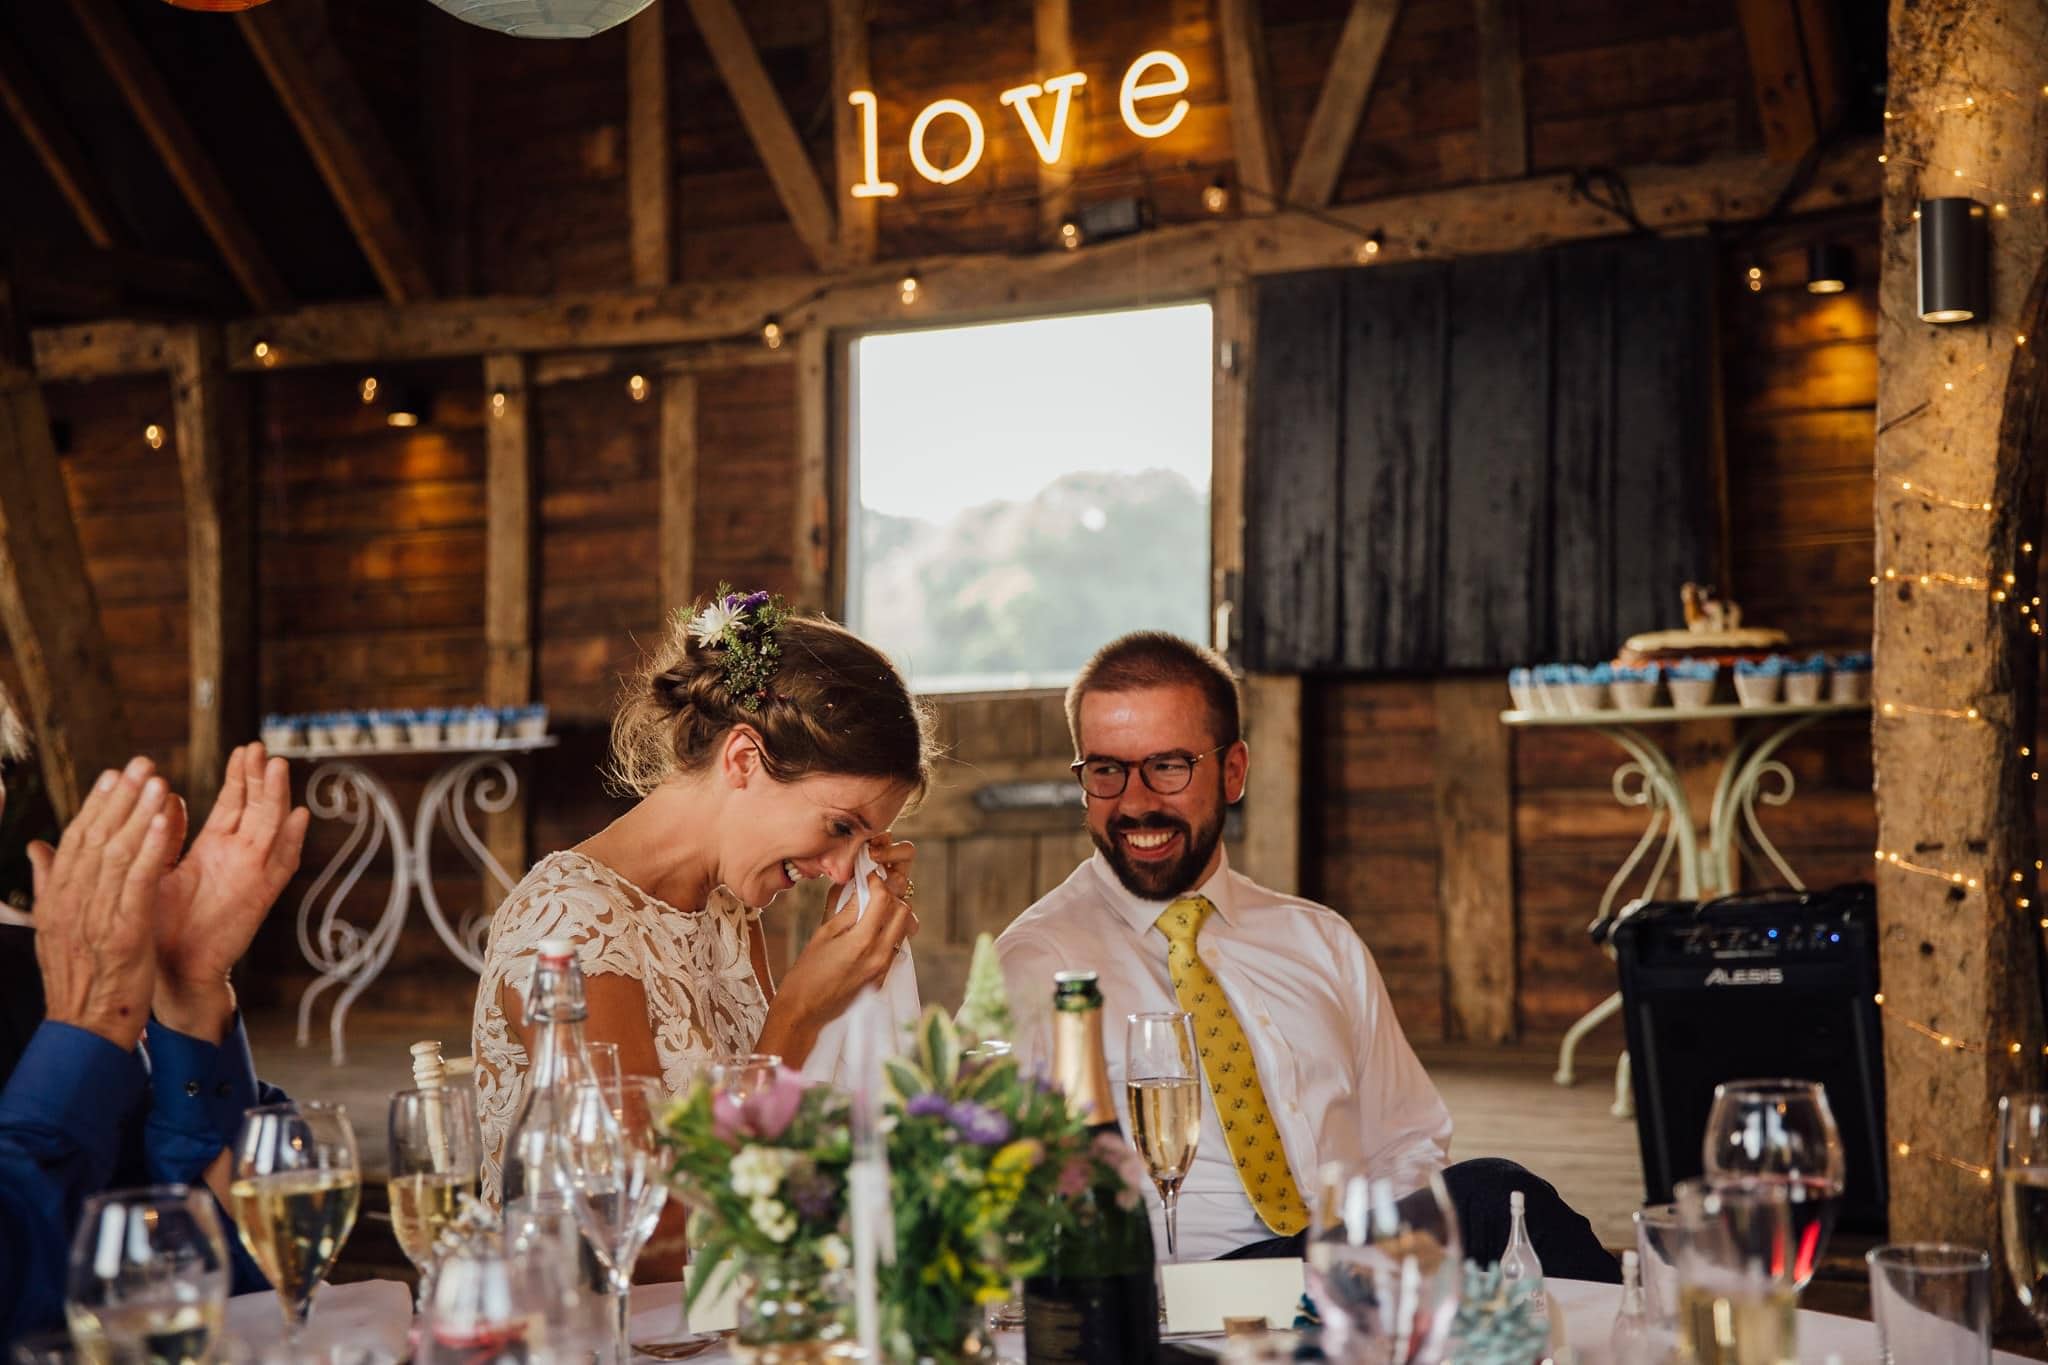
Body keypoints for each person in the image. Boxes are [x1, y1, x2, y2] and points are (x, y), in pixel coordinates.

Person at [996, 632, 1619, 1280]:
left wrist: (1394, 1265)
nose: (1135, 800)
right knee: (1496, 1196)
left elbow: (1405, 1138)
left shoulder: (1320, 941)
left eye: (1169, 765)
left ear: (1233, 770)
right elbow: (993, 1195)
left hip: (1350, 1279)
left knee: (1508, 1222)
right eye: (1106, 770)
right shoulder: (1039, 966)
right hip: (1168, 1297)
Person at [472, 590, 935, 1205]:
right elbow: (633, 1218)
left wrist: (854, 982)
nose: (838, 868)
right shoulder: (569, 928)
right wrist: (799, 1015)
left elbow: (774, 1152)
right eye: (840, 827)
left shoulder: (726, 908)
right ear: (744, 759)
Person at [0, 683, 312, 1340]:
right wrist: (85, 1029)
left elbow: (242, 1279)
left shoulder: (30, 968)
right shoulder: (73, 997)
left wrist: (191, 993)